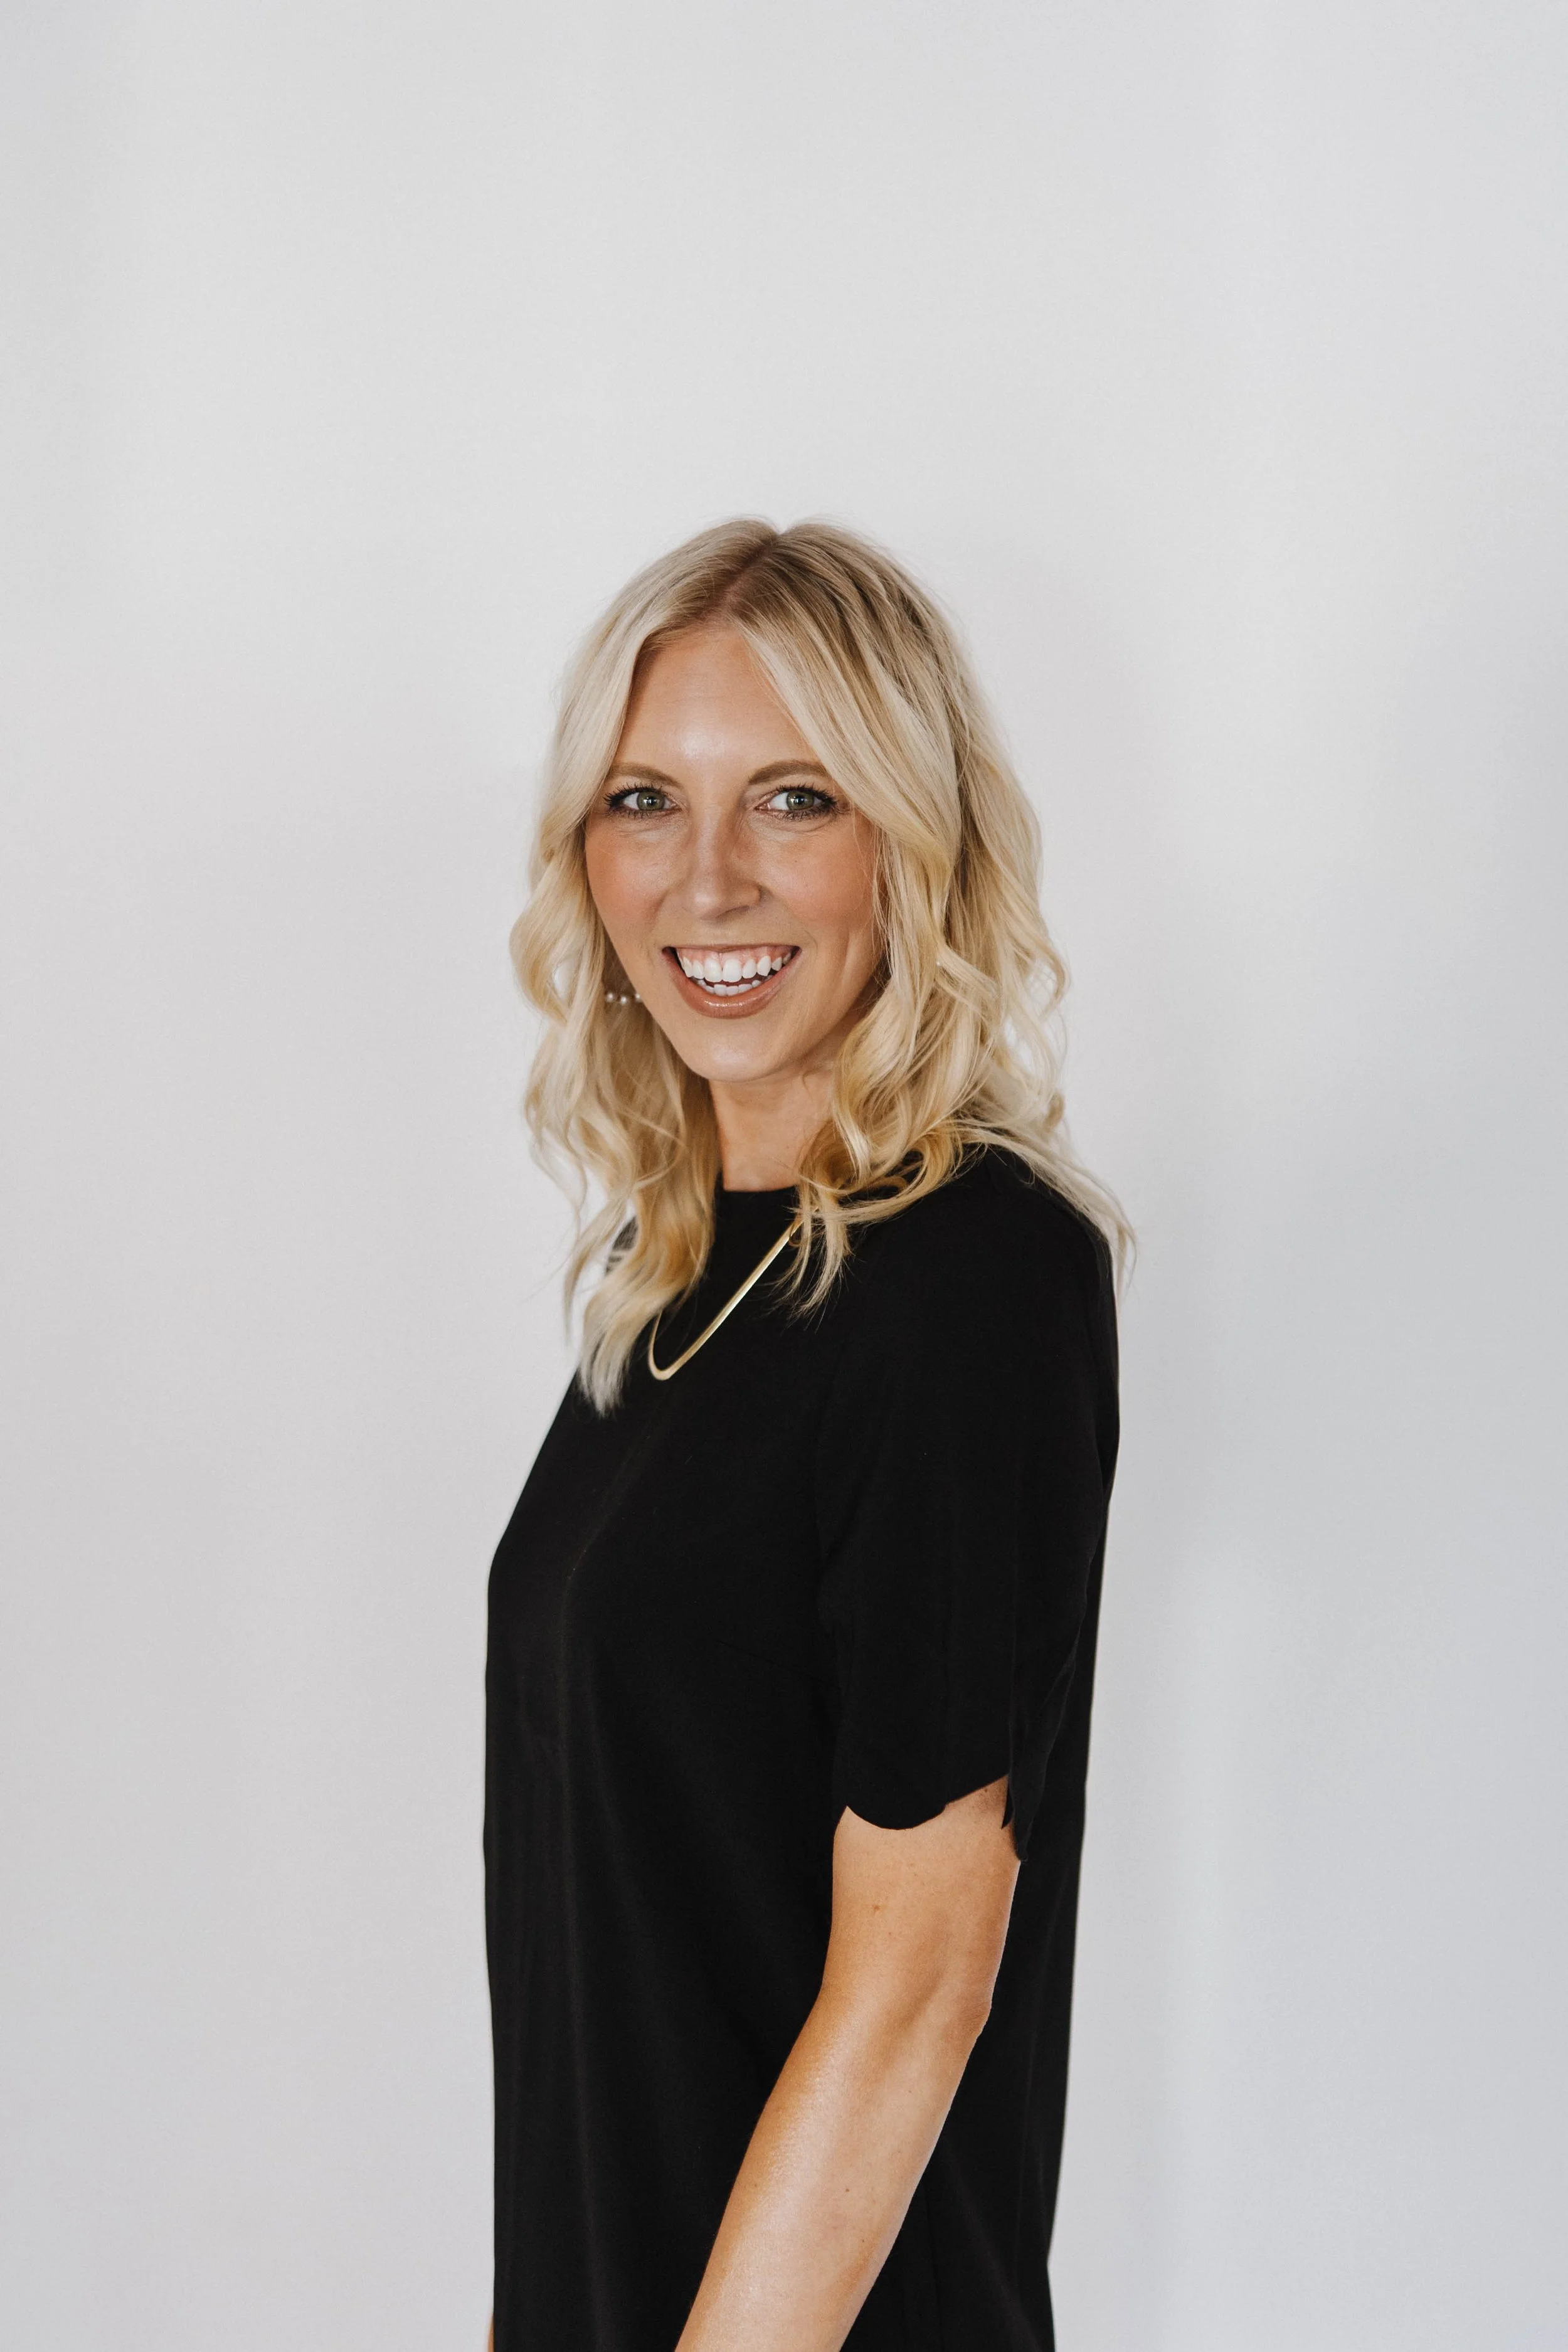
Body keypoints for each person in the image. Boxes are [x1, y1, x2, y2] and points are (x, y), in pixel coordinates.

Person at [485, 519, 1126, 2352]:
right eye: (638, 802)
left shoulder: (969, 1274)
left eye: (790, 799)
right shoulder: (667, 1283)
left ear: (907, 846)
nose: (705, 880)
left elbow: (913, 1987)